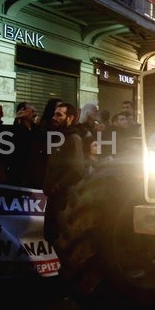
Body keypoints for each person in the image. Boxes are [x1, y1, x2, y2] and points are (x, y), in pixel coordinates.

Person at [42, 102, 87, 242]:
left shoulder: (73, 138)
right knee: (51, 236)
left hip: (64, 201)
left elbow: (78, 169)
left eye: (59, 115)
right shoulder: (58, 137)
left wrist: (58, 186)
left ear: (70, 118)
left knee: (64, 239)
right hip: (54, 199)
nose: (54, 118)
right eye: (54, 114)